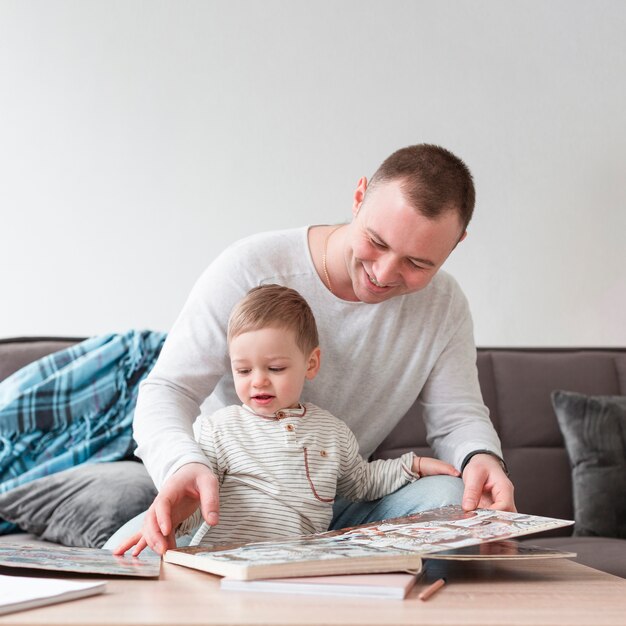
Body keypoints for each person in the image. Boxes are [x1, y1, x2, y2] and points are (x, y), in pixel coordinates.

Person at [114, 143, 515, 557]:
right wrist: (184, 467)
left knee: (452, 501)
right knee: (126, 559)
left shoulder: (444, 306)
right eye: (376, 242)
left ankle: (322, 577)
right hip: (228, 505)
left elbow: (458, 419)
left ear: (456, 244)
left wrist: (481, 459)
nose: (383, 274)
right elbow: (168, 391)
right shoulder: (251, 267)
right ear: (358, 197)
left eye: (417, 264)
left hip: (339, 506)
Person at [120, 285, 461, 554]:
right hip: (222, 559)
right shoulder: (217, 429)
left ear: (310, 364)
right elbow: (196, 503)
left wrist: (412, 466)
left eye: (276, 368)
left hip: (298, 562)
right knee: (132, 553)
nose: (258, 381)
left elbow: (360, 483)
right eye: (243, 370)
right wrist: (174, 517)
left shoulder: (332, 432)